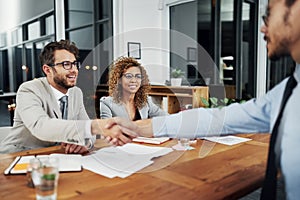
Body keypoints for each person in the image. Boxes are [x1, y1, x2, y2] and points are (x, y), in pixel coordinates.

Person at [107, 0, 300, 199]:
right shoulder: (286, 91)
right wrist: (137, 128)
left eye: (268, 14)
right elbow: (217, 119)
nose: (262, 27)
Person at [0, 40, 136, 154]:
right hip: (18, 157)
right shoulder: (29, 89)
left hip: (57, 157)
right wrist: (96, 125)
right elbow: (40, 126)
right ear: (47, 70)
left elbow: (89, 135)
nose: (74, 70)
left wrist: (84, 143)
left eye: (75, 64)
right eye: (66, 64)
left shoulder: (76, 93)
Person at [100, 57, 167, 120]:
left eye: (138, 76)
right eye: (128, 76)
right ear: (119, 80)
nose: (133, 80)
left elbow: (166, 118)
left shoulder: (146, 102)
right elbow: (106, 130)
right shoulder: (106, 103)